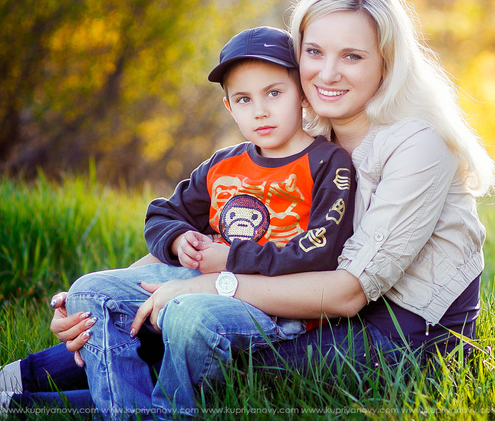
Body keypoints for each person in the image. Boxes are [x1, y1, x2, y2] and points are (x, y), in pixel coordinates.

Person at [1, 0, 495, 418]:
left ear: (386, 63)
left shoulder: (417, 146)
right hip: (309, 305)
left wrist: (208, 285)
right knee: (150, 319)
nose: (327, 73)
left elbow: (348, 293)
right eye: (314, 52)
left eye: (352, 55)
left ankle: (24, 400)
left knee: (206, 350)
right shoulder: (305, 138)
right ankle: (20, 381)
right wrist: (113, 294)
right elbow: (208, 233)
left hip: (401, 330)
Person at [0, 25, 356, 416]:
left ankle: (163, 408)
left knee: (187, 314)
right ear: (229, 107)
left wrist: (230, 258)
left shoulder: (327, 162)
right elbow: (163, 213)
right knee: (89, 291)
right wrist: (177, 239)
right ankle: (129, 411)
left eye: (274, 93)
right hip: (201, 280)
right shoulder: (224, 164)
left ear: (302, 94)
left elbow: (321, 250)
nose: (260, 111)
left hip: (273, 307)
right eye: (244, 99)